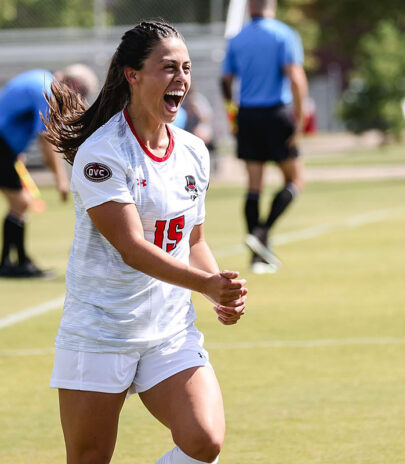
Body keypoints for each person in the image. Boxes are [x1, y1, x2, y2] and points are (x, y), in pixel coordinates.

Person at [43, 20, 248, 464]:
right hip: (101, 331)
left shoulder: (194, 150)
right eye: (168, 67)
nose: (182, 78)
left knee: (204, 439)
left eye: (186, 68)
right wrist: (205, 285)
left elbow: (193, 240)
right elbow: (132, 249)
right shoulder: (103, 154)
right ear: (132, 75)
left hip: (169, 331)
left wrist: (219, 287)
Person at [220, 0, 308, 274]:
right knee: (295, 180)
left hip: (247, 115)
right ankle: (263, 231)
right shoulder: (284, 34)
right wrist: (301, 117)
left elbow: (225, 81)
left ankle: (258, 258)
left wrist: (232, 114)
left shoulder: (238, 39)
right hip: (276, 114)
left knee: (254, 185)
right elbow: (295, 77)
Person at [0, 64, 98, 277]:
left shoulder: (41, 79)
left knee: (21, 203)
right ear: (74, 85)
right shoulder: (48, 89)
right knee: (21, 202)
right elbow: (46, 140)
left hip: (6, 147)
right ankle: (11, 264)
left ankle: (13, 261)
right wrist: (61, 179)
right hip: (2, 146)